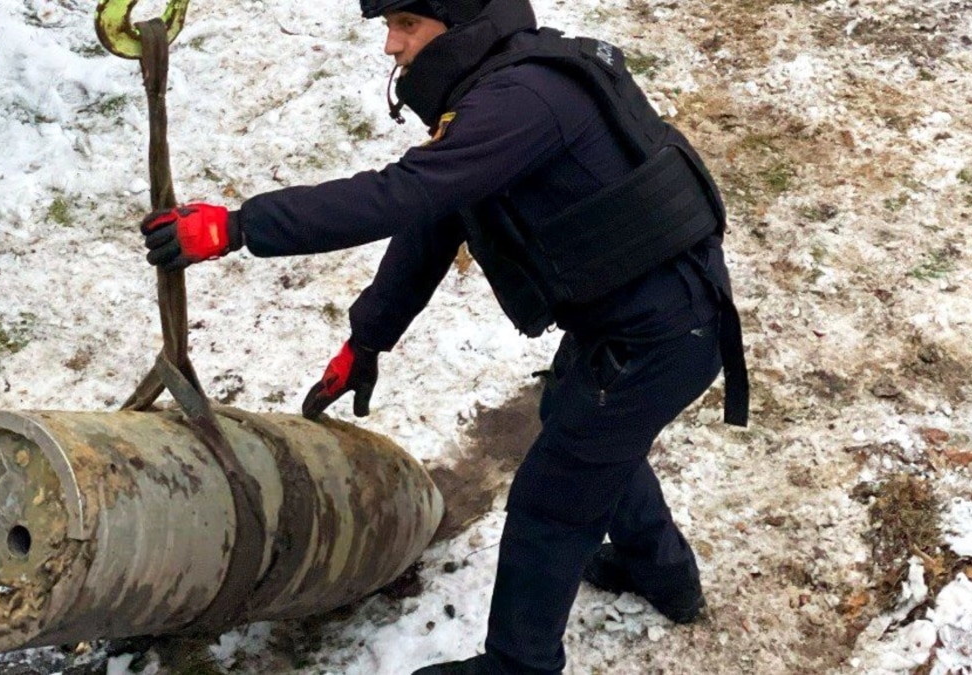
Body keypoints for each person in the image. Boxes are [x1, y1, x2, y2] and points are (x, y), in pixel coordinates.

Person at [138, 0, 750, 672]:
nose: (391, 47)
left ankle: (520, 663)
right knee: (583, 429)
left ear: (457, 27)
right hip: (644, 312)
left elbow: (398, 196)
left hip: (660, 330)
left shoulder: (520, 102)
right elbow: (435, 219)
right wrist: (367, 339)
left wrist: (238, 227)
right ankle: (659, 570)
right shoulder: (501, 88)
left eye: (406, 26)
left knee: (555, 496)